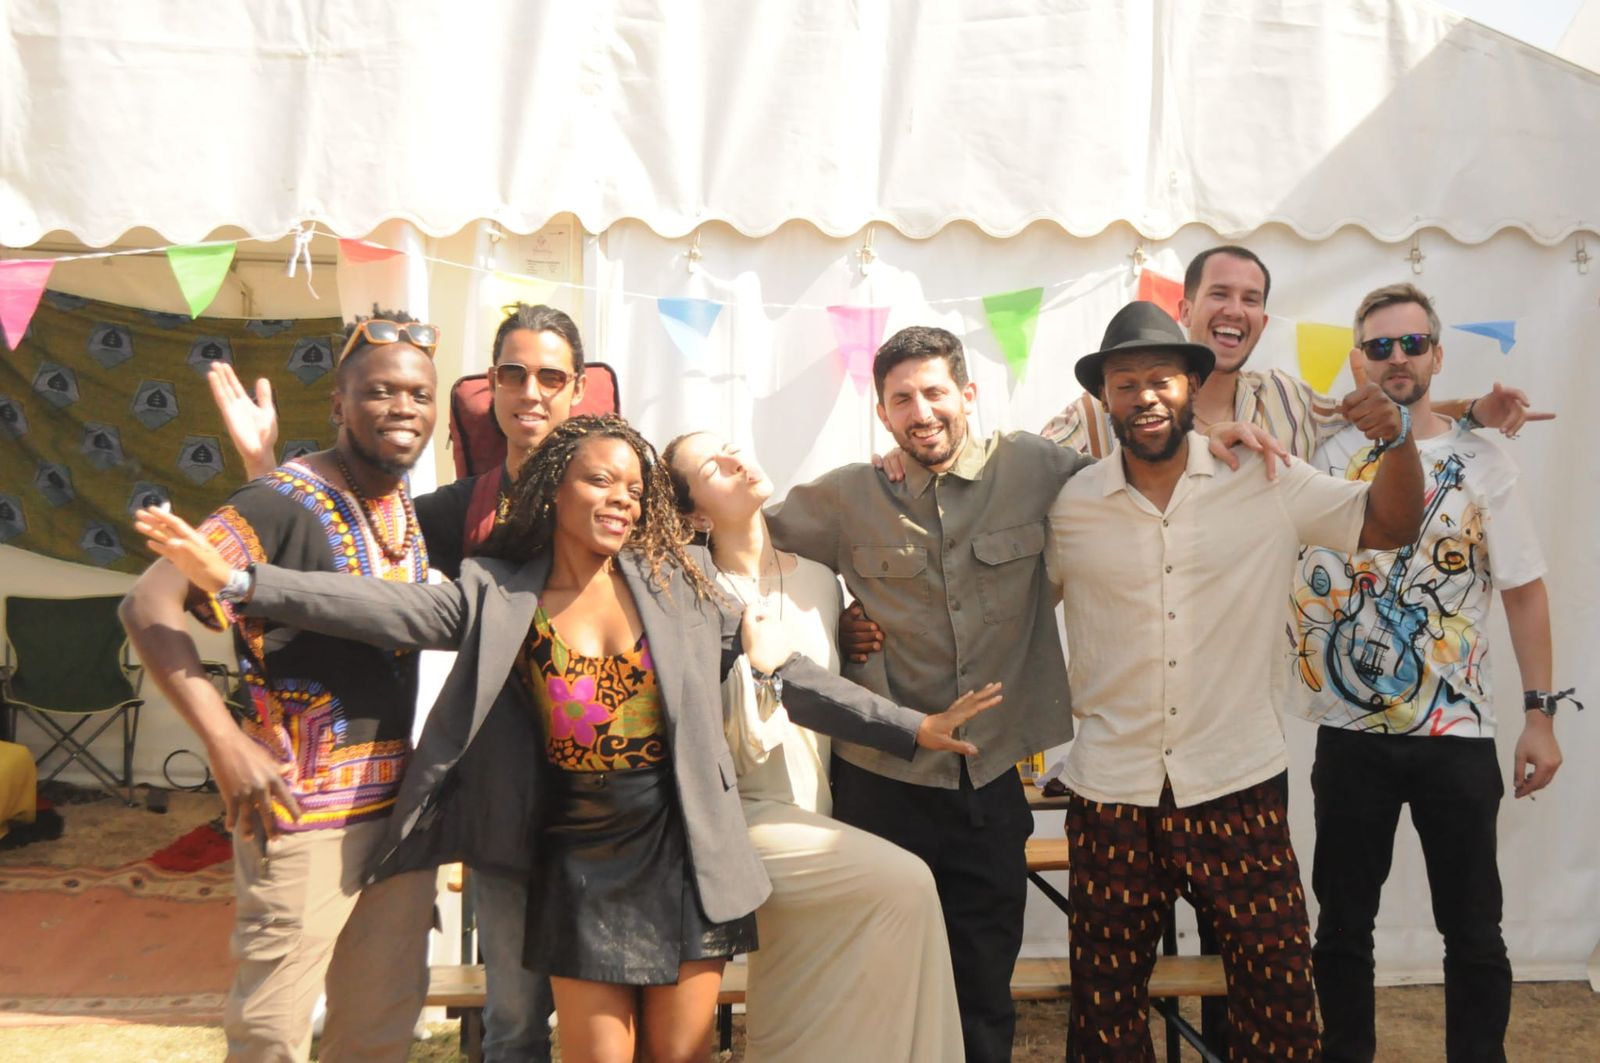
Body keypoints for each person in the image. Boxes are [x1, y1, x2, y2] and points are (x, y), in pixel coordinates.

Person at [135, 414, 998, 1063]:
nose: (622, 497)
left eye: (635, 486)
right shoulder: (497, 592)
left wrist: (912, 725)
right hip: (579, 860)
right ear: (554, 489)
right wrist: (244, 581)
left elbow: (795, 677)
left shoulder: (682, 586)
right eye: (600, 480)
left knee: (681, 1055)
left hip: (688, 853)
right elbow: (379, 606)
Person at [766, 324, 1280, 1062]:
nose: (921, 412)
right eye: (902, 399)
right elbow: (748, 543)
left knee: (982, 989)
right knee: (876, 984)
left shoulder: (1038, 469)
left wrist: (1209, 440)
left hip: (990, 780)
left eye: (935, 392)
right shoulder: (848, 495)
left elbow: (1139, 471)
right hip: (880, 786)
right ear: (881, 412)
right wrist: (830, 626)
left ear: (968, 394)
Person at [1044, 300, 1423, 1060]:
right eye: (1125, 383)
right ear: (1104, 398)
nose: (1144, 397)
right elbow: (1000, 597)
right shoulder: (1069, 504)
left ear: (1192, 384)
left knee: (1280, 1005)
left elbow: (1391, 525)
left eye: (1160, 379)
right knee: (1105, 1015)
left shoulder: (1264, 477)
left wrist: (1400, 439)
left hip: (1236, 783)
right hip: (1111, 792)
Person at [213, 301, 586, 1062]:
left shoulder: (610, 490)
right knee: (514, 1015)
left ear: (577, 390)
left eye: (551, 377)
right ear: (490, 386)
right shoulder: (454, 510)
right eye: (513, 374)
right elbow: (338, 565)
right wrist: (267, 474)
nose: (531, 392)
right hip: (502, 781)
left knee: (601, 1001)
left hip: (607, 785)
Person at [120, 312, 444, 1062]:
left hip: (397, 810)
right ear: (338, 403)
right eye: (380, 391)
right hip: (300, 810)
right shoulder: (280, 498)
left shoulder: (397, 499)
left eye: (419, 394)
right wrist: (223, 740)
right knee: (271, 1032)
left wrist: (258, 458)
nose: (403, 408)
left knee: (380, 1025)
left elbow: (301, 582)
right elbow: (147, 602)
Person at [1289, 283, 1577, 1062]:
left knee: (1473, 928)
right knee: (1342, 927)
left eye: (1412, 344)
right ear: (1357, 358)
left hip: (1458, 733)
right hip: (1350, 733)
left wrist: (1541, 714)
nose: (1398, 357)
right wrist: (1457, 406)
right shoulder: (1324, 450)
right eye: (1379, 346)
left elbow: (1523, 588)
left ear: (1438, 353)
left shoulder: (1483, 458)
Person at [662, 430, 964, 1062]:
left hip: (816, 810)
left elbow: (831, 686)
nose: (736, 460)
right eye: (712, 467)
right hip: (737, 815)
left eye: (733, 445)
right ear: (695, 515)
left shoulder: (823, 581)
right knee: (907, 885)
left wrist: (855, 640)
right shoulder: (685, 588)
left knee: (796, 986)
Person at [1040, 245, 1547, 459]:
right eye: (1220, 294)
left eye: (1251, 300)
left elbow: (1381, 416)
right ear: (1185, 308)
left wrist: (1475, 411)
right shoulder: (1106, 409)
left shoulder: (1288, 399)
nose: (1235, 310)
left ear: (1263, 321)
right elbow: (1024, 470)